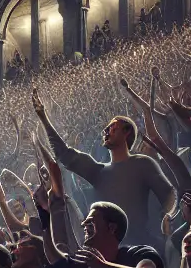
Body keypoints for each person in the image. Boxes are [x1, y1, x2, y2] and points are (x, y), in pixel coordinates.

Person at [32, 89, 175, 251]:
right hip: (109, 251)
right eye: (106, 128)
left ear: (127, 131)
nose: (105, 131)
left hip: (141, 246)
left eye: (112, 127)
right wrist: (43, 117)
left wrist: (168, 216)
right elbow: (64, 153)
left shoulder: (142, 163)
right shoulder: (98, 172)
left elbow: (169, 194)